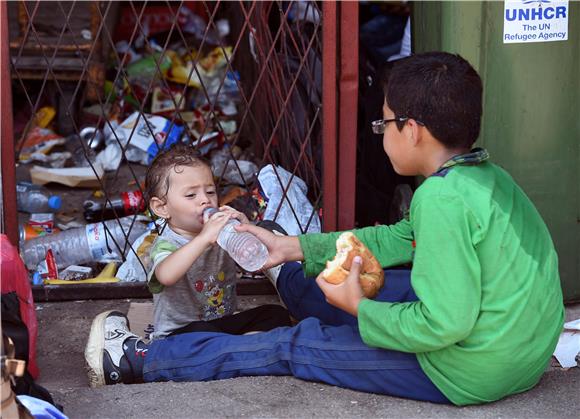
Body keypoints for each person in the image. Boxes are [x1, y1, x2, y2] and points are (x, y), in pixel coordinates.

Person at [85, 52, 564, 405]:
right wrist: (289, 246)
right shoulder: (483, 175)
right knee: (347, 279)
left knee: (297, 345)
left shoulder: (441, 198)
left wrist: (359, 307)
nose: (382, 132)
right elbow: (400, 238)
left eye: (385, 123)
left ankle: (140, 361)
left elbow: (445, 324)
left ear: (413, 130)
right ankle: (291, 277)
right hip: (520, 349)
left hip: (468, 367)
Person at [84, 144, 291, 386]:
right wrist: (204, 239)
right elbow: (165, 276)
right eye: (191, 195)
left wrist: (246, 232)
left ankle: (242, 350)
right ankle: (245, 350)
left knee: (275, 314)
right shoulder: (165, 244)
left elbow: (253, 265)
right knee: (201, 338)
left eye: (210, 192)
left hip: (220, 325)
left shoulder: (222, 233)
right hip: (181, 334)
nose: (204, 200)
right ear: (162, 208)